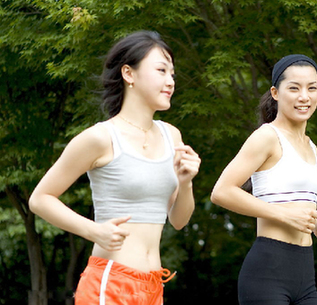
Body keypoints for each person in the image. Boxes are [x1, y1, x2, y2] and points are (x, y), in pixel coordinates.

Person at [29, 31, 201, 305]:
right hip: (110, 283)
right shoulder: (100, 138)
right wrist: (93, 231)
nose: (170, 81)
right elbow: (40, 199)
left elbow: (179, 221)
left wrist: (186, 182)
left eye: (172, 74)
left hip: (154, 285)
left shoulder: (172, 136)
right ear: (128, 74)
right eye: (161, 70)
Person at [211, 54, 317, 305]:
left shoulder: (311, 147)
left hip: (305, 274)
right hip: (267, 272)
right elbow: (222, 191)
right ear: (275, 92)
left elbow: (293, 204)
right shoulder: (267, 137)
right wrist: (285, 216)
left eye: (312, 88)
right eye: (294, 88)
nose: (304, 96)